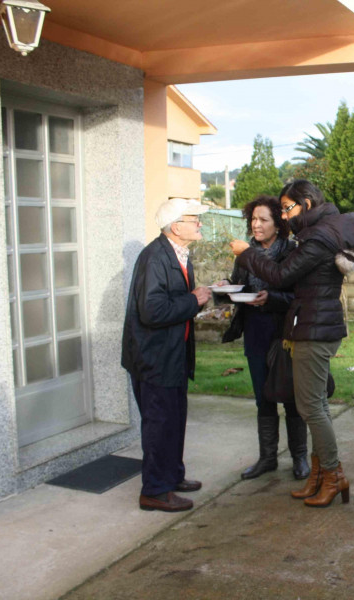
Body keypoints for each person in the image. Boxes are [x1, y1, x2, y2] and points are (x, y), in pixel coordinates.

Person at [229, 179, 354, 508]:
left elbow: (280, 276)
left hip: (314, 329)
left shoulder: (318, 237)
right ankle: (319, 475)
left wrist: (247, 254)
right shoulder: (321, 231)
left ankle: (333, 475)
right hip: (312, 325)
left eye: (287, 208)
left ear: (305, 204)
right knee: (315, 405)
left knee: (310, 408)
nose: (285, 215)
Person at [121, 198, 212, 512]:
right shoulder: (155, 257)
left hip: (172, 356)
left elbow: (177, 302)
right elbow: (153, 310)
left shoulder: (178, 253)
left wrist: (200, 300)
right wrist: (194, 300)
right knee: (160, 425)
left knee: (174, 420)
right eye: (193, 219)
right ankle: (155, 491)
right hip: (155, 359)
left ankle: (171, 477)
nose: (199, 223)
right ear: (176, 226)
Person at [218, 195, 310, 481]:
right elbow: (239, 285)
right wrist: (226, 287)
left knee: (292, 397)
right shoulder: (246, 253)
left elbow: (299, 296)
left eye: (263, 220)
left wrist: (271, 298)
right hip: (256, 331)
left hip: (285, 333)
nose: (255, 225)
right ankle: (267, 458)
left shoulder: (292, 251)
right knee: (263, 398)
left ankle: (300, 458)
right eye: (253, 220)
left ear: (277, 224)